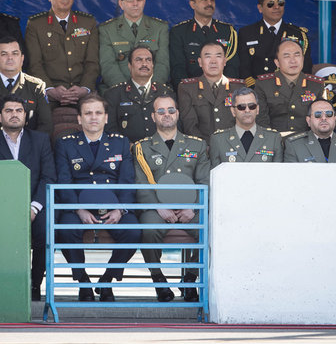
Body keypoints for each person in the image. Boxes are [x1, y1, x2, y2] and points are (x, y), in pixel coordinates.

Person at [54, 93, 140, 302]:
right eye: (88, 113)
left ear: (106, 118)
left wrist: (120, 209)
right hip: (78, 204)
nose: (94, 117)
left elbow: (127, 181)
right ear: (79, 119)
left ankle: (107, 280)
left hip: (113, 204)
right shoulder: (66, 144)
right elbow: (64, 182)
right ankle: (83, 281)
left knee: (133, 231)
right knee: (66, 231)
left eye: (98, 113)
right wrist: (78, 209)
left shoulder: (120, 143)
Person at [0, 95, 57, 301]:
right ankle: (5, 284)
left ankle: (34, 284)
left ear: (26, 115)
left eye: (19, 110)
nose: (14, 114)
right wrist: (6, 208)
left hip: (35, 205)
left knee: (44, 231)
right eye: (9, 111)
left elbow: (48, 177)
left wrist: (34, 207)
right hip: (1, 207)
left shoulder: (40, 140)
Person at [133, 95, 210, 302]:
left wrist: (193, 208)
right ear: (153, 116)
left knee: (211, 231)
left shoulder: (197, 145)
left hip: (190, 208)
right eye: (161, 111)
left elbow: (204, 181)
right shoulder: (142, 147)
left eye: (170, 110)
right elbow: (141, 183)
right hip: (157, 208)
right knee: (148, 230)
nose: (166, 114)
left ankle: (190, 279)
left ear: (177, 113)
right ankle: (159, 280)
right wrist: (159, 208)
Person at [25, 0, 99, 107]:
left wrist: (84, 88)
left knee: (97, 115)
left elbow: (92, 62)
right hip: (48, 94)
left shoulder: (88, 22)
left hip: (82, 93)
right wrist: (49, 89)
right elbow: (34, 64)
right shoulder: (36, 24)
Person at [0, 37, 52, 145]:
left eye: (15, 53)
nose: (10, 58)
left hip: (28, 148)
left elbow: (46, 125)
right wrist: (2, 145)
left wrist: (27, 145)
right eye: (4, 54)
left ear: (22, 58)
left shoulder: (36, 86)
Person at [99, 0, 169, 91]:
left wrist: (151, 88)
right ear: (121, 4)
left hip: (153, 90)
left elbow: (162, 63)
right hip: (119, 90)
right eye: (130, 0)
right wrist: (125, 90)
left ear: (144, 1)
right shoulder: (107, 29)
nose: (135, 3)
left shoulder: (160, 27)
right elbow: (108, 65)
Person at [237, 0, 312, 88]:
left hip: (289, 90)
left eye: (280, 3)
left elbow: (306, 68)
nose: (276, 7)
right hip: (258, 90)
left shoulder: (298, 34)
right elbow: (244, 68)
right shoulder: (247, 33)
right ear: (260, 8)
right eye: (270, 4)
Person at [169, 0, 238, 90]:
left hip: (223, 91)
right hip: (192, 93)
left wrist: (224, 90)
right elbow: (178, 68)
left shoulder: (227, 31)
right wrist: (189, 92)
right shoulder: (179, 32)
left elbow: (232, 66)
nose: (209, 3)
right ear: (193, 4)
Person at [255, 38, 327, 134]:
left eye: (297, 55)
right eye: (286, 56)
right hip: (275, 140)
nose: (293, 61)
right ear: (277, 62)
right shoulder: (263, 84)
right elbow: (261, 120)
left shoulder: (316, 85)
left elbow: (322, 119)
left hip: (306, 141)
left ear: (303, 58)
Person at [104, 45, 174, 142]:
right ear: (129, 65)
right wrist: (128, 147)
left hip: (161, 150)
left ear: (153, 65)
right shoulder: (114, 94)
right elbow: (110, 129)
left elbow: (175, 127)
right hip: (128, 152)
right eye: (139, 60)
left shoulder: (165, 93)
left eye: (148, 60)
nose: (144, 64)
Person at [178, 41, 245, 142]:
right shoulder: (187, 88)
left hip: (234, 146)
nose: (213, 61)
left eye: (218, 56)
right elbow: (189, 125)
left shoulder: (238, 87)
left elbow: (244, 121)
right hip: (202, 149)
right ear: (200, 62)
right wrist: (203, 148)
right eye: (208, 56)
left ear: (225, 61)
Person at [209, 87, 282, 166]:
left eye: (252, 106)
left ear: (257, 109)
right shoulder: (218, 140)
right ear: (233, 111)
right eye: (241, 107)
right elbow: (214, 175)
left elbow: (278, 174)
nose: (247, 110)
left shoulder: (273, 138)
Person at [283, 98, 336, 163]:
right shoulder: (294, 145)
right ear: (308, 121)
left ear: (334, 119)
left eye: (329, 114)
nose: (324, 118)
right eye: (318, 114)